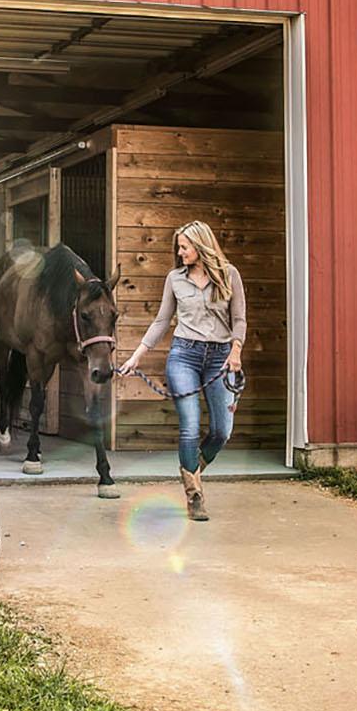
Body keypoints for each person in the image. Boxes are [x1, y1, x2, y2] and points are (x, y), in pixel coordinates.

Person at [118, 220, 245, 521]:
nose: (180, 251)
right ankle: (194, 494)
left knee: (222, 431)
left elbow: (239, 319)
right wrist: (137, 355)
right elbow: (162, 321)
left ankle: (193, 467)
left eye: (185, 246)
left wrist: (236, 352)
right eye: (179, 246)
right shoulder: (175, 278)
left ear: (201, 246)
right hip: (184, 356)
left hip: (220, 357)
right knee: (189, 424)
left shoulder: (229, 275)